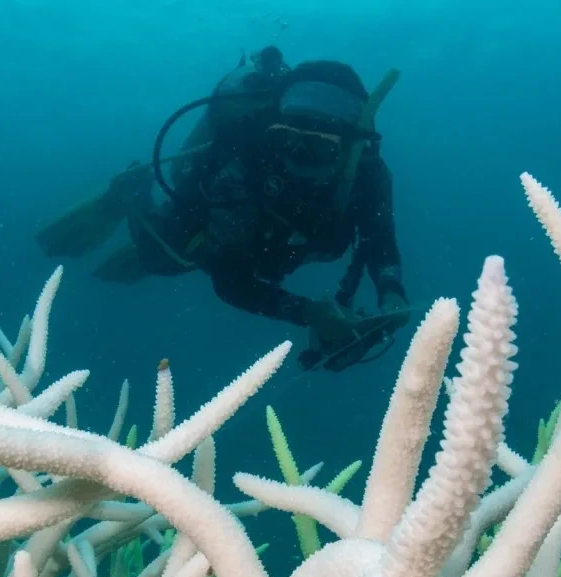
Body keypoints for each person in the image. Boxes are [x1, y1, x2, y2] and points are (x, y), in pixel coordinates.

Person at [37, 47, 412, 371]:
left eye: (317, 148)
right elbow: (228, 280)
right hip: (222, 224)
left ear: (350, 151)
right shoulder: (246, 158)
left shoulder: (367, 176)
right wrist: (306, 311)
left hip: (279, 245)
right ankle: (131, 193)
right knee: (167, 260)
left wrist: (391, 298)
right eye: (286, 140)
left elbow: (380, 241)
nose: (295, 159)